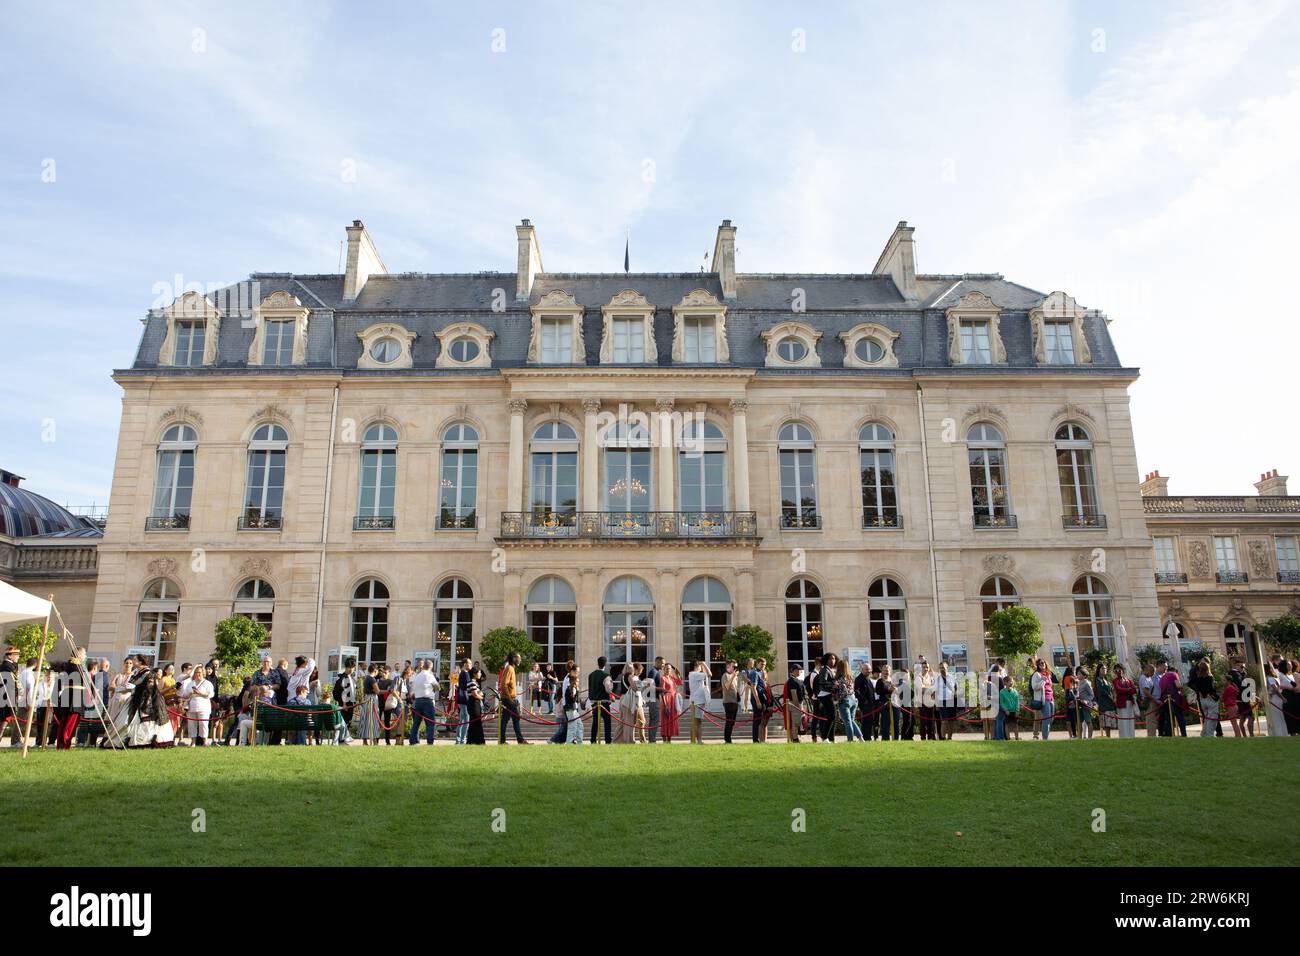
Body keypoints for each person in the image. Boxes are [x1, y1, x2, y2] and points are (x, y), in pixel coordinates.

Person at [125, 670, 175, 748]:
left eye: (152, 681)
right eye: (149, 681)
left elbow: (160, 706)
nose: (150, 683)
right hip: (143, 714)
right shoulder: (141, 692)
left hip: (155, 715)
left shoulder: (157, 694)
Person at [497, 652, 528, 745]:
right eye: (519, 658)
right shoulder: (509, 668)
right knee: (515, 718)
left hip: (509, 698)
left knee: (508, 719)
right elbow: (503, 684)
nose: (520, 659)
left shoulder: (511, 669)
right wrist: (510, 699)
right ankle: (519, 740)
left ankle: (503, 740)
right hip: (508, 699)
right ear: (514, 658)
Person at [407, 659, 440, 744]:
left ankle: (413, 741)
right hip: (427, 701)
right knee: (430, 723)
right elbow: (437, 687)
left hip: (418, 701)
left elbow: (413, 690)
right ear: (430, 667)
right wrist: (433, 689)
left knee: (416, 723)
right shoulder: (429, 675)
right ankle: (430, 742)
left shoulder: (417, 676)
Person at [180, 663, 213, 746]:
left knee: (203, 724)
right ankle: (193, 742)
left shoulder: (207, 683)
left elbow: (210, 694)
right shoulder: (191, 683)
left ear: (203, 673)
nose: (198, 674)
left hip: (203, 706)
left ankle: (204, 741)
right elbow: (184, 695)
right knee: (192, 724)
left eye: (199, 672)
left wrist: (200, 693)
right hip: (192, 706)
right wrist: (190, 694)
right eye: (196, 672)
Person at [1187, 658, 1219, 738]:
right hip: (1210, 699)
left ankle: (1204, 734)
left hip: (1202, 700)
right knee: (1212, 719)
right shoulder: (1209, 677)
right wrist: (1214, 694)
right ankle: (1209, 735)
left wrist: (1198, 691)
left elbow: (1189, 684)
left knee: (1207, 719)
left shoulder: (1198, 678)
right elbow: (1210, 689)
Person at [834, 659, 863, 742]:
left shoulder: (840, 679)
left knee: (847, 721)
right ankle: (861, 737)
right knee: (851, 720)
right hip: (853, 699)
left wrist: (836, 700)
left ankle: (850, 740)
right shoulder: (850, 677)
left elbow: (844, 692)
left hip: (845, 701)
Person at [1155, 660, 1186, 737]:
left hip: (1165, 700)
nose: (1166, 667)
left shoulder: (1162, 679)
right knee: (1180, 718)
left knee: (1169, 719)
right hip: (1175, 700)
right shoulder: (1173, 674)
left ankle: (1170, 735)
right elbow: (1178, 686)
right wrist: (1183, 693)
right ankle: (1184, 735)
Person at [587, 656, 613, 745]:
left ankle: (593, 740)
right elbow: (608, 689)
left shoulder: (591, 675)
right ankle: (608, 740)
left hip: (594, 702)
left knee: (595, 723)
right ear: (605, 664)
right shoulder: (606, 676)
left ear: (598, 664)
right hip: (604, 702)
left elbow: (590, 688)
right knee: (607, 723)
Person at [1030, 659, 1055, 740]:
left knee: (1051, 719)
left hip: (1051, 698)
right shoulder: (1036, 674)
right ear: (1037, 665)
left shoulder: (1048, 674)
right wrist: (1042, 681)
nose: (1042, 664)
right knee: (1046, 718)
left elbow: (1050, 686)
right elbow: (1034, 687)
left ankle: (1045, 735)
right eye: (1040, 663)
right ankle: (1045, 738)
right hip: (1043, 699)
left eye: (1043, 663)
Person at [1266, 661, 1292, 737]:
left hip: (1275, 699)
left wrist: (1282, 697)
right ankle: (1283, 733)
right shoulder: (1275, 676)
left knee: (1276, 718)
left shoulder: (1270, 677)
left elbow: (1275, 689)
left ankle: (1279, 734)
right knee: (1281, 718)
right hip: (1278, 699)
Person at [1113, 664, 1138, 739]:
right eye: (1116, 670)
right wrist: (1129, 690)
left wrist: (1129, 690)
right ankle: (1124, 737)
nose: (1118, 671)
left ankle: (1131, 736)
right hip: (1122, 703)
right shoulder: (1115, 681)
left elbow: (1134, 690)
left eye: (1120, 669)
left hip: (1130, 702)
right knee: (1123, 721)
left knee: (1130, 720)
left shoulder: (1129, 680)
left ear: (1123, 670)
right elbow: (1118, 689)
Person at [688, 660, 710, 744]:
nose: (701, 668)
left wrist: (702, 666)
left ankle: (693, 740)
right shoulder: (695, 674)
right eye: (700, 666)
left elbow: (706, 675)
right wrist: (704, 664)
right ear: (696, 666)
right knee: (698, 722)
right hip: (698, 701)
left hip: (696, 700)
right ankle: (698, 740)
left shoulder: (693, 674)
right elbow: (709, 674)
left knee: (695, 721)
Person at [876, 665, 900, 741]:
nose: (886, 672)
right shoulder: (880, 681)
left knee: (896, 722)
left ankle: (895, 739)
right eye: (884, 670)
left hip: (895, 703)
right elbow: (878, 691)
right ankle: (885, 739)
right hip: (884, 703)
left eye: (887, 670)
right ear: (882, 671)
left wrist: (896, 690)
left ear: (890, 671)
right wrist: (888, 690)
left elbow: (899, 691)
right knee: (886, 722)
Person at [854, 663, 877, 741]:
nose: (869, 671)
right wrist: (864, 701)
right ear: (862, 670)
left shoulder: (867, 678)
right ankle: (866, 737)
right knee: (866, 722)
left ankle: (868, 737)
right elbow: (856, 691)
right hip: (865, 705)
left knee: (870, 721)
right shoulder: (859, 679)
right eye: (867, 669)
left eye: (870, 669)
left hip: (871, 704)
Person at [784, 664, 807, 743]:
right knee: (795, 722)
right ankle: (795, 738)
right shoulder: (792, 681)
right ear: (793, 670)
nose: (799, 671)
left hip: (797, 703)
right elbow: (793, 693)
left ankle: (795, 737)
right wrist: (797, 706)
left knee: (796, 722)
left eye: (800, 670)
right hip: (795, 703)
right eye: (798, 670)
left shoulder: (796, 680)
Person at [660, 663, 682, 744]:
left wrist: (677, 673)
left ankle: (669, 741)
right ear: (663, 669)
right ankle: (664, 740)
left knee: (671, 720)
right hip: (667, 700)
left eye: (669, 668)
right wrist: (665, 705)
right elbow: (662, 692)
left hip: (673, 701)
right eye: (666, 668)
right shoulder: (663, 678)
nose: (668, 670)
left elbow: (680, 682)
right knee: (665, 720)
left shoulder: (672, 677)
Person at [936, 661, 958, 740]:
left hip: (951, 701)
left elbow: (956, 687)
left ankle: (949, 737)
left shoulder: (952, 677)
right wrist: (937, 704)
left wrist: (956, 693)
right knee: (944, 721)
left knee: (951, 721)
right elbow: (936, 692)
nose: (942, 669)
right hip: (942, 701)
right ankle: (942, 737)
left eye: (943, 667)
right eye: (941, 668)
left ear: (947, 668)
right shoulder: (938, 679)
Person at [465, 665, 486, 745]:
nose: (480, 674)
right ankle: (480, 741)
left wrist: (480, 695)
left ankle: (471, 741)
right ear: (474, 673)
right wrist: (481, 697)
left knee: (473, 723)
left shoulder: (475, 682)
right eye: (479, 672)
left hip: (475, 703)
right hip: (473, 704)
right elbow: (474, 694)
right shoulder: (472, 682)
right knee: (476, 722)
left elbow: (477, 693)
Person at [720, 660, 741, 743]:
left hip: (734, 701)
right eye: (733, 666)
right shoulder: (725, 676)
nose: (735, 668)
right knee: (729, 721)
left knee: (732, 722)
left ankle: (729, 738)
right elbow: (727, 687)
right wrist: (733, 677)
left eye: (736, 667)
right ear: (728, 666)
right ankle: (727, 739)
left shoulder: (735, 676)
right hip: (728, 702)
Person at [1071, 666, 1094, 739]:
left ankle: (1090, 738)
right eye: (1077, 674)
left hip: (1086, 705)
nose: (1078, 675)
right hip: (1079, 704)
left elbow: (1092, 694)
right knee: (1079, 722)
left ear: (1084, 675)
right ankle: (1079, 738)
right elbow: (1077, 694)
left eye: (1080, 674)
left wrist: (1086, 701)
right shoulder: (1077, 683)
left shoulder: (1087, 683)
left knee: (1088, 721)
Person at [996, 676, 1020, 740]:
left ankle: (1017, 737)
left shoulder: (1015, 691)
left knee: (1015, 725)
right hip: (1007, 711)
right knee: (1007, 725)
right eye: (1010, 681)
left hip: (1014, 710)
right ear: (1005, 683)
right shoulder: (1002, 692)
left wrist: (1017, 710)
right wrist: (1005, 709)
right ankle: (1008, 738)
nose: (1011, 682)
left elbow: (1017, 701)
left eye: (1012, 681)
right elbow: (1002, 702)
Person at [643, 657, 661, 743]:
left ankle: (651, 739)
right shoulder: (653, 672)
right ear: (657, 662)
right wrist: (661, 689)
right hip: (653, 698)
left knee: (653, 719)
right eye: (662, 663)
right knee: (655, 720)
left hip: (653, 698)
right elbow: (648, 685)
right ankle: (652, 740)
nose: (663, 665)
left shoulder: (656, 671)